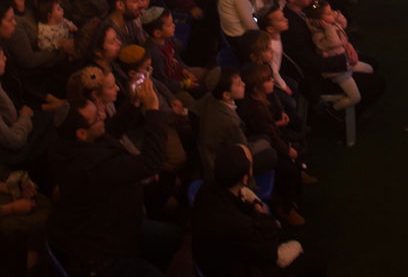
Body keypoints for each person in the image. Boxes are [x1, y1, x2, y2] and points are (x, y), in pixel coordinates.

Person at [47, 84, 177, 277]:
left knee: (172, 237)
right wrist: (153, 111)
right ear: (81, 133)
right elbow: (151, 162)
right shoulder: (91, 166)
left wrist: (133, 104)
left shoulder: (72, 143)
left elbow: (108, 130)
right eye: (97, 117)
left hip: (116, 225)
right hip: (105, 252)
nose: (103, 116)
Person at [191, 143, 312, 277]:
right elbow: (269, 252)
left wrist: (254, 204)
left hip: (217, 256)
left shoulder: (208, 188)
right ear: (245, 178)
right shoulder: (238, 225)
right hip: (233, 268)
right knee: (315, 264)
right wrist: (261, 213)